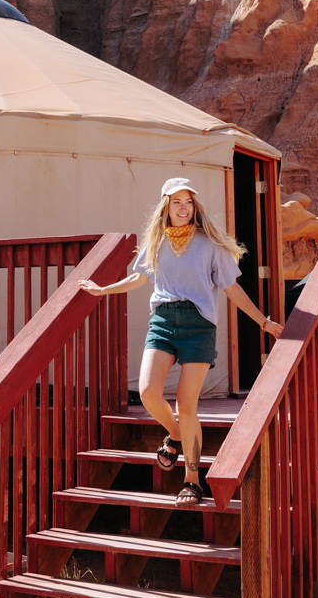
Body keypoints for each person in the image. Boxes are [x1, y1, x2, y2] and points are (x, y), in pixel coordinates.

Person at [78, 177, 284, 507]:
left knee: (187, 406)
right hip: (163, 321)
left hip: (199, 326)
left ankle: (191, 479)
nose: (183, 208)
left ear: (195, 206)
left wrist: (264, 322)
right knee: (148, 392)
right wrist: (103, 290)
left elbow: (232, 289)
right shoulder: (156, 242)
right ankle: (175, 434)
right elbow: (139, 278)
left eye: (188, 202)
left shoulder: (210, 245)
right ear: (166, 206)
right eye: (176, 202)